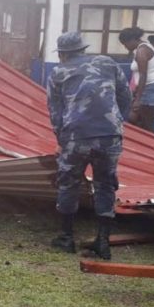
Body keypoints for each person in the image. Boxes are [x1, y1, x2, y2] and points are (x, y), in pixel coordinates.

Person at [47, 32, 132, 260]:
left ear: (63, 54)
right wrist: (116, 122)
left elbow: (56, 113)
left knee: (69, 183)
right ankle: (103, 242)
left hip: (77, 136)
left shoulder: (58, 72)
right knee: (105, 185)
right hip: (109, 135)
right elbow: (126, 97)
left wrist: (61, 140)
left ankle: (66, 238)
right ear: (83, 49)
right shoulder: (107, 63)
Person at [119, 27, 154, 132]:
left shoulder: (142, 51)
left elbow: (143, 75)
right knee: (134, 119)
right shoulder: (145, 47)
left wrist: (137, 99)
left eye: (125, 43)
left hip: (151, 88)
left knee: (147, 125)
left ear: (132, 40)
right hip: (151, 87)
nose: (125, 46)